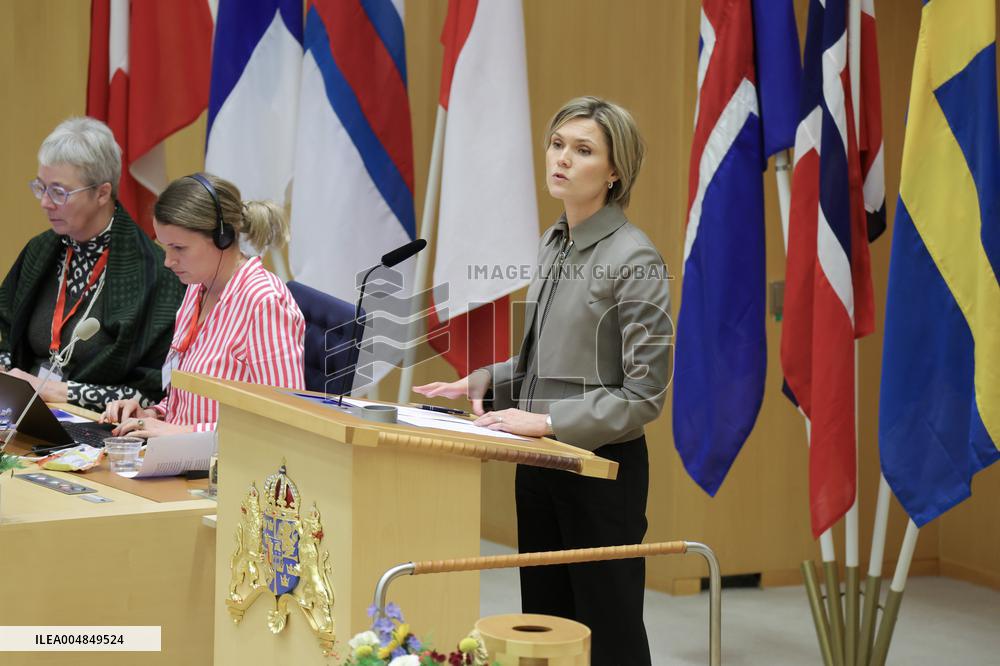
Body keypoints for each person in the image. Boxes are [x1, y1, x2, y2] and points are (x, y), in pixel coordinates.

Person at [414, 96, 671, 664]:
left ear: (614, 172)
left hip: (601, 471)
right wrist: (488, 377)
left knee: (608, 631)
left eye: (582, 151)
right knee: (545, 624)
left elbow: (644, 393)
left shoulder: (635, 258)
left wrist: (549, 420)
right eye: (557, 144)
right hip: (539, 463)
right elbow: (548, 362)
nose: (561, 159)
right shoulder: (554, 241)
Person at [0, 117, 184, 412]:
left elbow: (155, 394)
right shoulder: (40, 250)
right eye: (40, 187)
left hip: (96, 430)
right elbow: (5, 336)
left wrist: (57, 392)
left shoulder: (154, 274)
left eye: (59, 192)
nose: (45, 203)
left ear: (102, 193)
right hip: (19, 412)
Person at [101, 173, 305, 436]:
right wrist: (151, 415)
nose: (168, 261)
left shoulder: (263, 302)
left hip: (228, 470)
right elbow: (192, 404)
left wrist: (181, 435)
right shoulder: (197, 288)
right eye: (165, 247)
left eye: (179, 248)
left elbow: (284, 422)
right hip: (180, 458)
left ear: (222, 238)